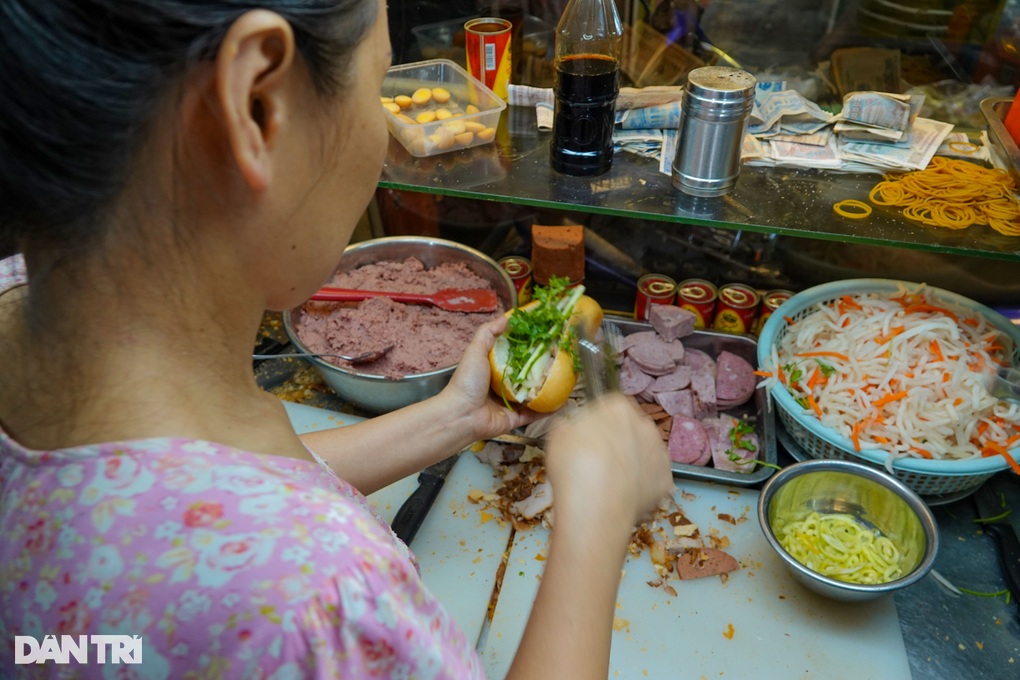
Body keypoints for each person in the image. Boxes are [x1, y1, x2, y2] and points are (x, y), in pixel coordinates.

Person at [0, 0, 673, 677]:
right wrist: (595, 517)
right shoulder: (316, 595)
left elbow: (191, 498)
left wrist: (454, 418)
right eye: (380, 84)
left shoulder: (18, 295)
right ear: (258, 104)